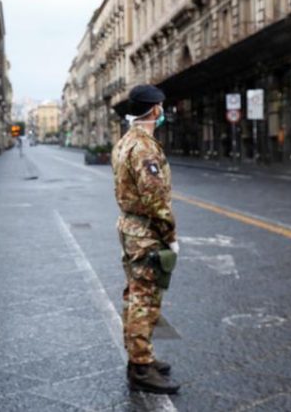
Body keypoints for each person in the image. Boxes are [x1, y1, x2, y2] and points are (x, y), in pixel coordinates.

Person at [111, 84, 181, 395]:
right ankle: (140, 367)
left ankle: (143, 357)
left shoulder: (125, 141)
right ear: (153, 110)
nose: (163, 112)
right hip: (146, 232)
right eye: (161, 107)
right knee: (144, 298)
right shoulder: (144, 147)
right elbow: (155, 199)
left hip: (130, 228)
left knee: (136, 294)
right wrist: (170, 235)